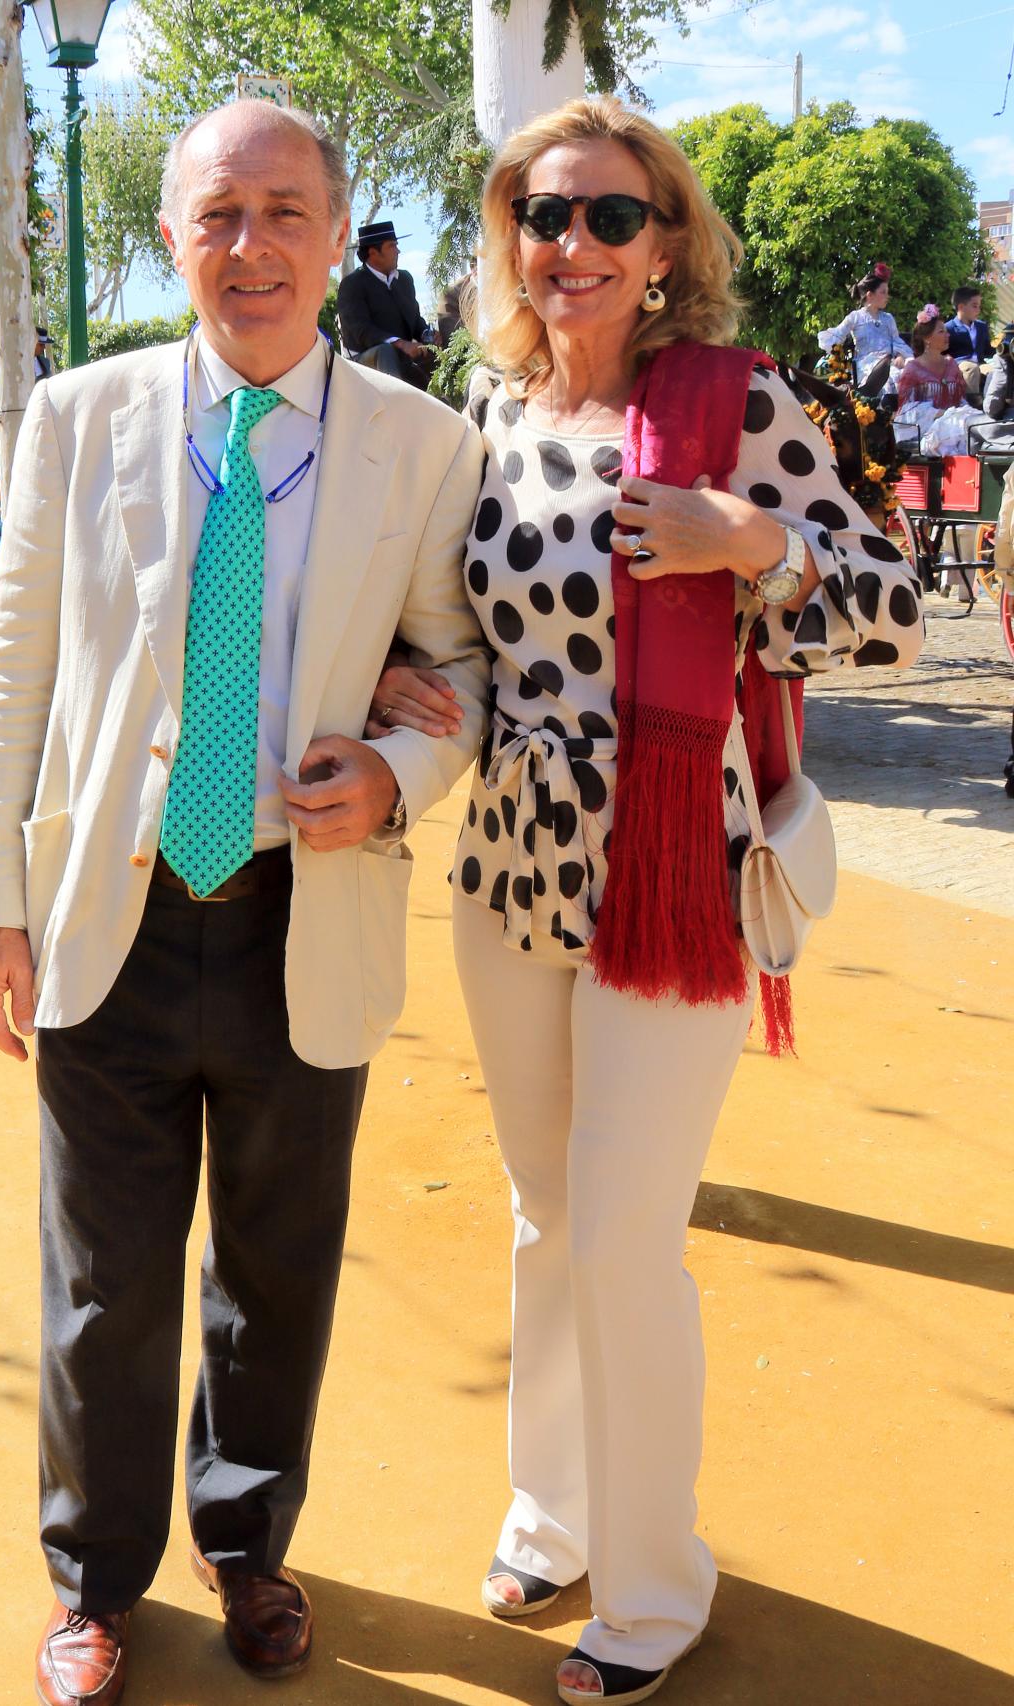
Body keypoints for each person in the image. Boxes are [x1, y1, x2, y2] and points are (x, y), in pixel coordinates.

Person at [369, 96, 925, 1706]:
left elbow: (889, 606)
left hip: (673, 862)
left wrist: (748, 540)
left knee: (621, 1234)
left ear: (668, 242)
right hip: (512, 863)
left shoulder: (737, 403)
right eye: (545, 215)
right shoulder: (489, 409)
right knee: (547, 1215)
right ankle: (552, 1509)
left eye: (613, 215)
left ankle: (656, 1579)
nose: (576, 244)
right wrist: (404, 682)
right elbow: (463, 631)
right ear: (510, 237)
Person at [0, 98, 488, 1706]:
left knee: (279, 1266)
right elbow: (14, 669)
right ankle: (93, 1580)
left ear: (334, 229)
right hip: (105, 912)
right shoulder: (76, 417)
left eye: (283, 212)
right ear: (171, 236)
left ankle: (248, 1544)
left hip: (300, 911)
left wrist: (396, 767)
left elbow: (458, 665)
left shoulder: (425, 443)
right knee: (103, 1278)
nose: (250, 247)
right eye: (217, 215)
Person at [336, 219, 436, 388]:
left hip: (402, 357)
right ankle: (394, 401)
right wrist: (400, 343)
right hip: (365, 362)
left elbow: (415, 320)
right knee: (385, 351)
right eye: (392, 246)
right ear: (373, 252)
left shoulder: (404, 280)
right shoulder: (352, 285)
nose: (398, 251)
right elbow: (362, 332)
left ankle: (447, 399)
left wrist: (427, 333)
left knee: (437, 350)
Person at [818, 261, 910, 385]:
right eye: (883, 292)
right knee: (888, 379)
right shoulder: (855, 317)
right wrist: (837, 354)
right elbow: (837, 335)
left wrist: (900, 356)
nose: (887, 296)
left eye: (887, 292)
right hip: (866, 366)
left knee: (906, 377)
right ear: (870, 295)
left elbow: (897, 341)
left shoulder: (888, 319)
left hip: (889, 363)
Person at [895, 306, 968, 411]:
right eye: (941, 332)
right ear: (926, 338)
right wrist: (935, 414)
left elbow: (961, 399)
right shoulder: (913, 369)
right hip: (926, 420)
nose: (947, 335)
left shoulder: (951, 364)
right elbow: (905, 408)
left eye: (946, 331)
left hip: (954, 419)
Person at [944, 285, 993, 389]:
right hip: (959, 365)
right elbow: (942, 354)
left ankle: (994, 399)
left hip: (980, 364)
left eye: (979, 306)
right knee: (971, 368)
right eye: (975, 306)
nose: (978, 310)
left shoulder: (981, 326)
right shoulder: (948, 328)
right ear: (961, 307)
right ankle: (971, 399)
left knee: (995, 371)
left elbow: (988, 351)